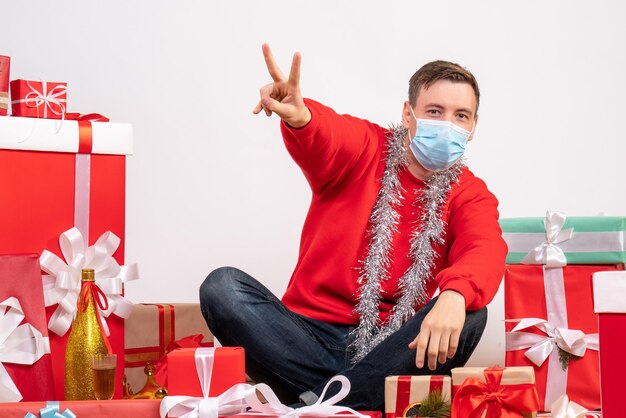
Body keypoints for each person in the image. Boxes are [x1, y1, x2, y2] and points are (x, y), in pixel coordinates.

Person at [200, 44, 507, 410]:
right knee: (222, 288)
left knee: (471, 311)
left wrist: (456, 295)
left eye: (461, 116)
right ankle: (350, 402)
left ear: (473, 128)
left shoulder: (470, 193)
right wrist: (302, 116)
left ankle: (320, 402)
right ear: (408, 114)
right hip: (307, 337)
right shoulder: (366, 147)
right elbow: (329, 135)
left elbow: (484, 246)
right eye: (435, 112)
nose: (447, 126)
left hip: (393, 349)